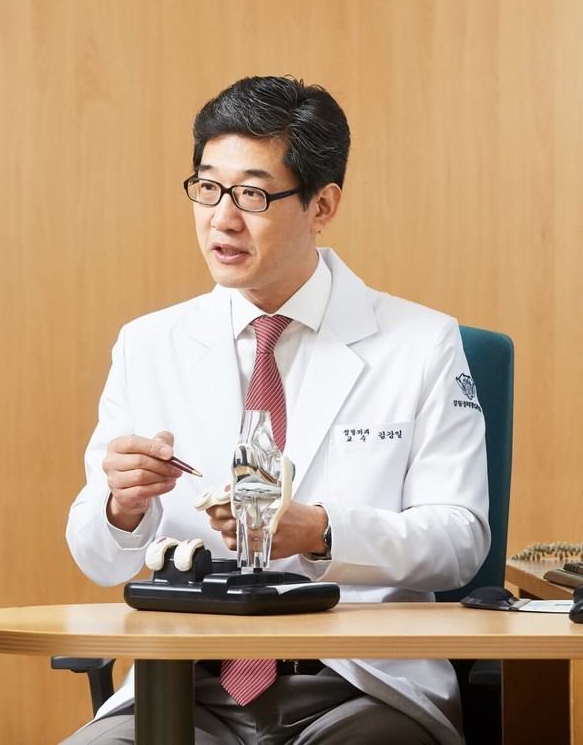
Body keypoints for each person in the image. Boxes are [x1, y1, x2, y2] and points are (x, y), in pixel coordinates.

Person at [62, 75, 490, 745]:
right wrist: (122, 507)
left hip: (359, 685)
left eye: (253, 195)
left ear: (322, 205)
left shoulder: (421, 343)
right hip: (186, 685)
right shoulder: (148, 345)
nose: (222, 219)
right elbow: (99, 558)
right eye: (208, 188)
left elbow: (459, 540)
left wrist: (319, 532)